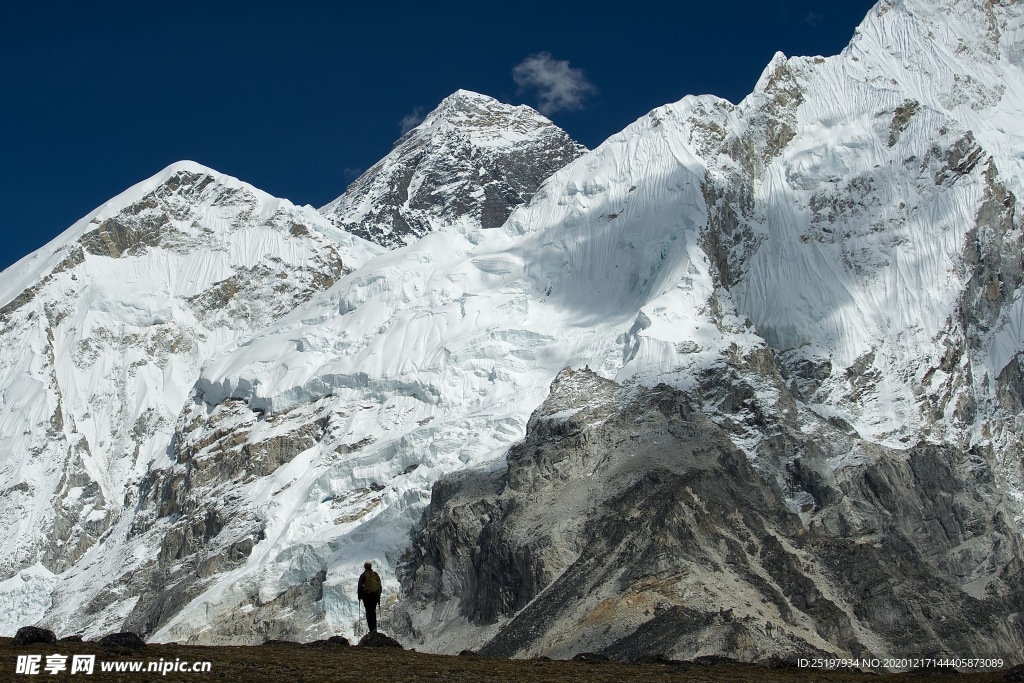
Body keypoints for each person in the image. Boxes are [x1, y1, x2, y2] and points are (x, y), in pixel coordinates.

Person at [357, 561, 382, 632]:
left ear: (365, 567)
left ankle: (371, 630)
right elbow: (379, 586)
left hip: (367, 597)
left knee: (368, 612)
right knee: (373, 611)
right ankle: (375, 629)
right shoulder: (375, 575)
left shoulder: (363, 575)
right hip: (375, 596)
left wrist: (359, 596)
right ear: (371, 566)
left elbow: (360, 587)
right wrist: (378, 596)